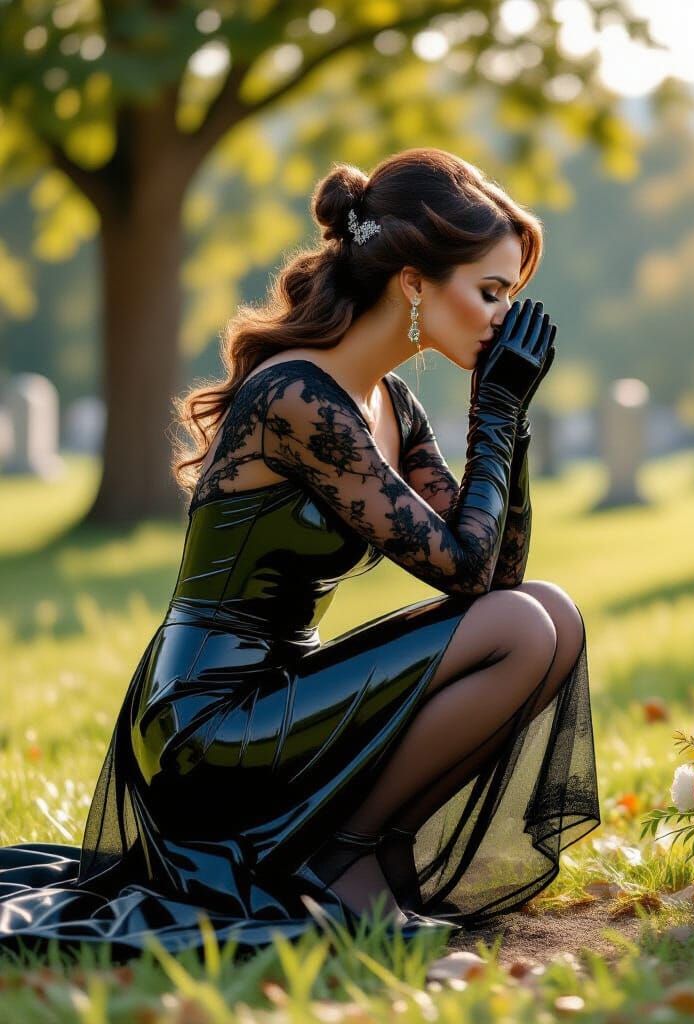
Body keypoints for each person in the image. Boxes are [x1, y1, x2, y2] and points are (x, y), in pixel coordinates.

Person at [0, 148, 600, 960]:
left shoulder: (391, 404)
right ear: (414, 282)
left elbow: (496, 572)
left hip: (289, 694)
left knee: (549, 613)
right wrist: (492, 411)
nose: (503, 318)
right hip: (205, 723)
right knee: (523, 627)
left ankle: (359, 855)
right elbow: (465, 574)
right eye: (490, 292)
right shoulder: (295, 397)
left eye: (511, 297)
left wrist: (510, 419)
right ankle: (344, 865)